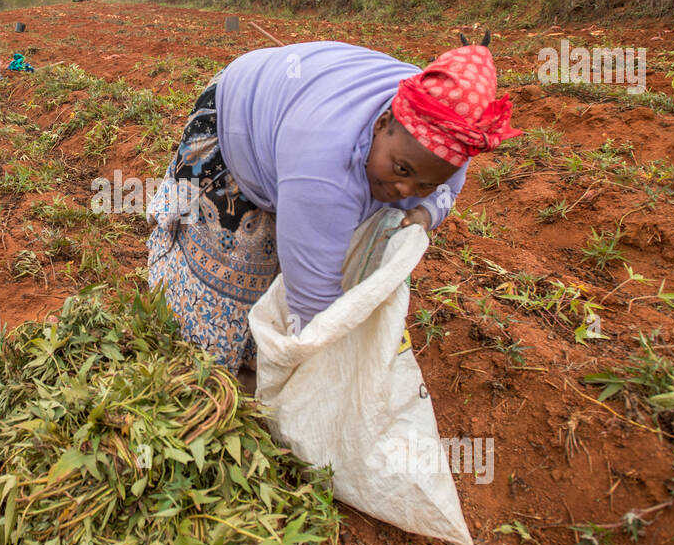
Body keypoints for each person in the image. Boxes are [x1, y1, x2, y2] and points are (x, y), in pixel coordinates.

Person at [146, 33, 520, 373]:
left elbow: (448, 186)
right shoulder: (324, 163)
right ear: (382, 122)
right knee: (215, 313)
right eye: (401, 169)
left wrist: (425, 212)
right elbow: (315, 298)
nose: (406, 190)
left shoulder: (449, 137)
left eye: (424, 182)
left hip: (300, 122)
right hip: (239, 116)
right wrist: (327, 372)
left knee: (303, 236)